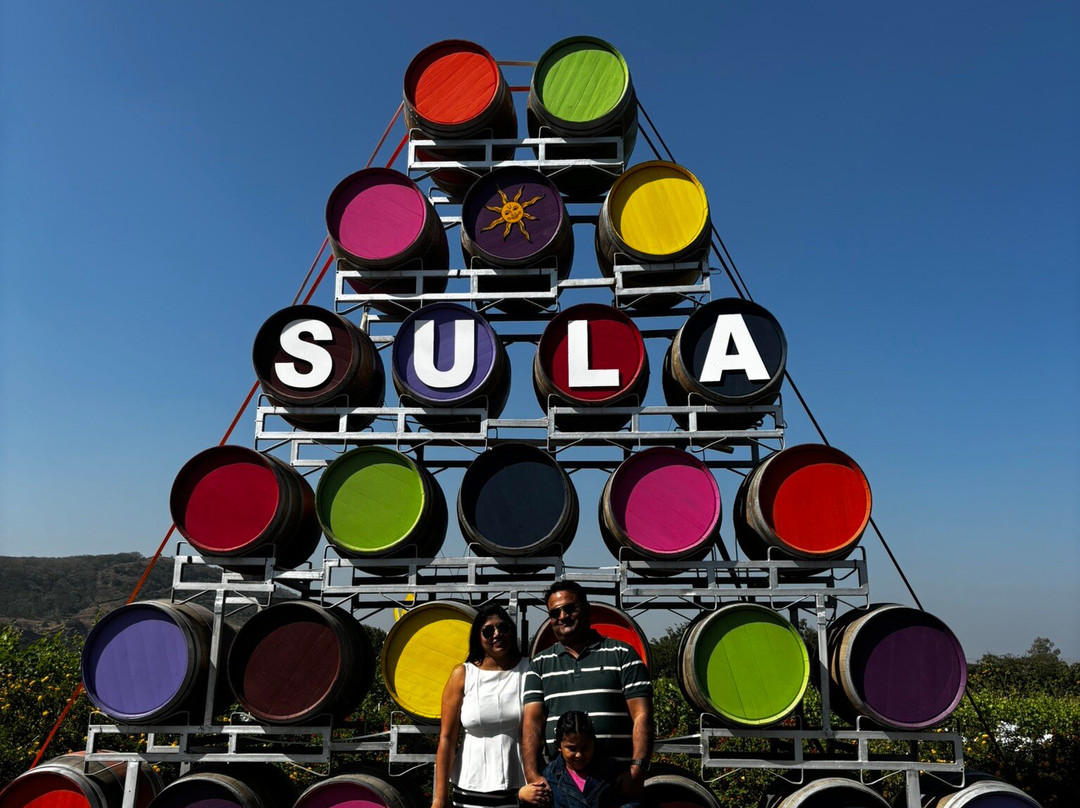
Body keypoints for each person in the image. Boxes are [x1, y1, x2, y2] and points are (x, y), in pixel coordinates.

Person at [521, 581, 653, 803]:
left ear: (586, 609)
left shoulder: (622, 654)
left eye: (570, 608)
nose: (562, 616)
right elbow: (532, 723)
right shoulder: (540, 664)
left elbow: (642, 715)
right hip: (563, 789)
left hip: (617, 784)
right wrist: (532, 774)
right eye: (555, 613)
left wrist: (638, 767)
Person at [432, 603, 533, 808]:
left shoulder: (529, 669)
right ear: (478, 637)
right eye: (488, 631)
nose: (497, 634)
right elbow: (447, 738)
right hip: (469, 785)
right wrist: (439, 798)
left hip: (520, 786)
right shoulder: (463, 674)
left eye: (503, 627)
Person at [522, 711, 635, 808]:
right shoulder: (550, 777)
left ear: (593, 743)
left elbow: (631, 800)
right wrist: (521, 795)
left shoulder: (611, 771)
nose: (579, 755)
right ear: (559, 746)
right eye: (572, 748)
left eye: (585, 747)